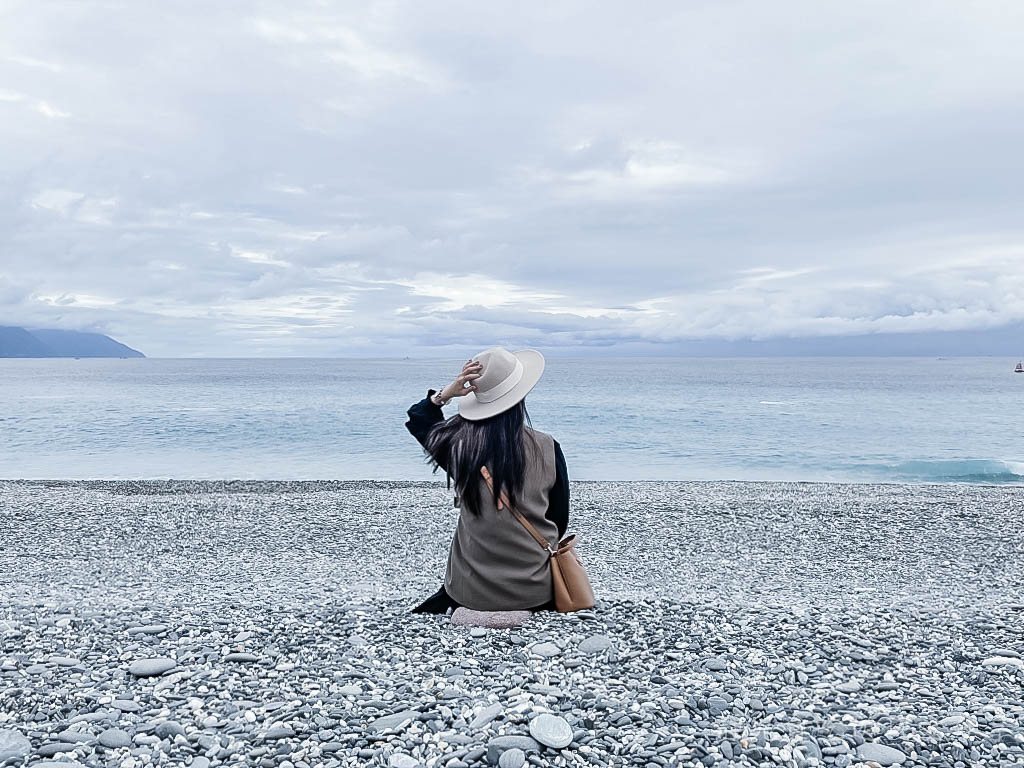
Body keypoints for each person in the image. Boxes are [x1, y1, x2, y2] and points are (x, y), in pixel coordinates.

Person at [405, 346, 569, 614]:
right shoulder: (548, 447)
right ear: (521, 396)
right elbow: (559, 518)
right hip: (534, 589)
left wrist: (445, 394)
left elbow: (419, 417)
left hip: (470, 592)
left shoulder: (458, 446)